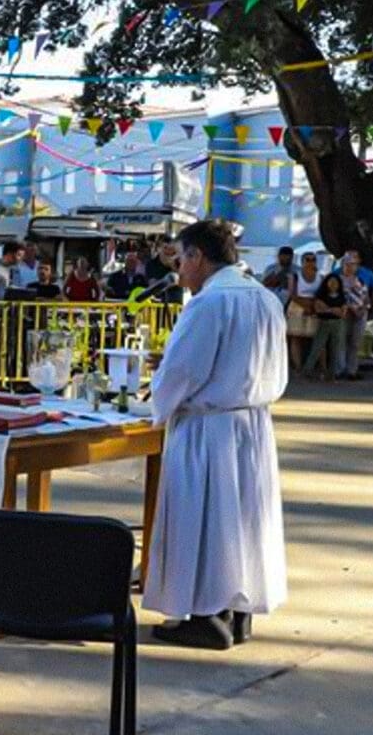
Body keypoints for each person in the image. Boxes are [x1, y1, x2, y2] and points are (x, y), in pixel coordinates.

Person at [146, 219, 287, 651]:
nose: (179, 272)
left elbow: (183, 370)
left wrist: (157, 402)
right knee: (241, 518)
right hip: (252, 424)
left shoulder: (209, 304)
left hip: (210, 427)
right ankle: (237, 609)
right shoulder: (264, 298)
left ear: (198, 257)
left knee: (205, 518)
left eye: (180, 259)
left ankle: (206, 613)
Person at [334, 251, 373, 380]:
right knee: (341, 341)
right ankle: (339, 370)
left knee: (355, 342)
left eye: (352, 264)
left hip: (360, 313)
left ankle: (351, 371)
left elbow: (369, 294)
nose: (349, 267)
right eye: (346, 264)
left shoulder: (363, 277)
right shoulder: (336, 276)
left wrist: (367, 309)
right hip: (344, 313)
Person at [303, 274, 349, 380]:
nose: (333, 284)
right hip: (323, 323)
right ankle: (307, 370)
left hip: (338, 324)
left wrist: (328, 308)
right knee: (317, 347)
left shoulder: (343, 296)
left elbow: (342, 313)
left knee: (335, 349)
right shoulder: (321, 295)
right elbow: (318, 309)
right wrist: (333, 310)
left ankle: (332, 373)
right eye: (331, 282)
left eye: (335, 282)